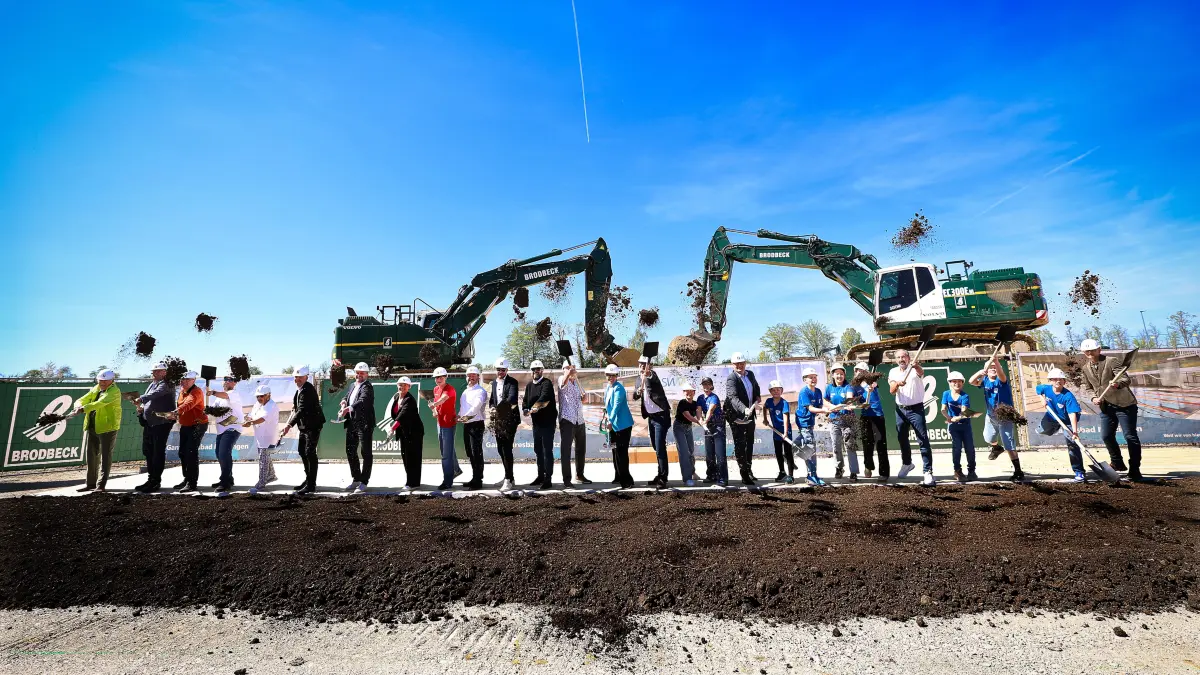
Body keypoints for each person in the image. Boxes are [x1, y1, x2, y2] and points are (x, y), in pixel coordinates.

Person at [1079, 339, 1143, 481]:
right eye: (1087, 351)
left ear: (1099, 350)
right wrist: (1093, 398)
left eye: (1092, 350)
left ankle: (1134, 470)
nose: (1090, 353)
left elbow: (1125, 379)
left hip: (1125, 405)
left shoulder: (1111, 361)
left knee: (1130, 436)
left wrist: (1117, 384)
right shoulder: (1085, 368)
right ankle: (1117, 463)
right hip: (1106, 407)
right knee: (1106, 436)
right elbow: (1088, 387)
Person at [969, 358, 1023, 482]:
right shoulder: (985, 381)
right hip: (991, 416)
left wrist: (996, 361)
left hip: (1005, 417)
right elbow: (971, 381)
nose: (992, 368)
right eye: (990, 367)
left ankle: (1018, 471)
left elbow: (1001, 374)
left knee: (1009, 444)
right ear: (986, 371)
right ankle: (997, 448)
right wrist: (980, 372)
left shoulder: (1001, 380)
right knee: (988, 438)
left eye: (995, 367)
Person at [888, 349, 934, 486]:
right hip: (901, 410)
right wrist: (897, 383)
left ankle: (928, 471)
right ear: (895, 360)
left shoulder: (915, 369)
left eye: (903, 356)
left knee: (922, 439)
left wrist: (916, 366)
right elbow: (892, 391)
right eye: (898, 357)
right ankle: (907, 464)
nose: (901, 359)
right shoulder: (893, 372)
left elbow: (921, 373)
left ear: (908, 358)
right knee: (902, 438)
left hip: (916, 409)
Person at [72, 369, 122, 492]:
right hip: (93, 426)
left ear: (112, 380)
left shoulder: (114, 391)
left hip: (108, 427)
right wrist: (78, 405)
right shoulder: (96, 388)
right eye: (100, 380)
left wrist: (84, 409)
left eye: (105, 381)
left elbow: (100, 403)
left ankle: (101, 485)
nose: (102, 383)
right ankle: (90, 484)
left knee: (105, 456)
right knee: (91, 456)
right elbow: (83, 398)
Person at [1036, 368, 1086, 481]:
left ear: (1065, 382)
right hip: (1052, 417)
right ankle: (1053, 428)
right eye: (1055, 379)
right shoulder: (1046, 388)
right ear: (1050, 381)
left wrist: (1074, 432)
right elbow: (1038, 389)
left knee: (1073, 444)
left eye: (1061, 379)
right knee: (1042, 430)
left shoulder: (1068, 396)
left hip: (1067, 421)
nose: (1058, 381)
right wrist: (1041, 399)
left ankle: (1079, 472)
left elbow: (1072, 414)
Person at [281, 365, 325, 494]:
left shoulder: (307, 390)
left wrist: (289, 425)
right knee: (302, 451)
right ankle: (308, 479)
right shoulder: (300, 389)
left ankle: (311, 484)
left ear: (306, 377)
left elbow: (302, 410)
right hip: (304, 426)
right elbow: (297, 408)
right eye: (296, 377)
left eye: (300, 377)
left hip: (313, 426)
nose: (297, 379)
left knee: (310, 452)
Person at [134, 362, 174, 493]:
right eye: (153, 371)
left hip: (161, 423)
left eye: (157, 371)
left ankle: (156, 481)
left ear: (164, 372)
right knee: (148, 451)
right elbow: (151, 399)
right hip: (150, 423)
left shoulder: (167, 383)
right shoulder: (153, 383)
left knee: (157, 452)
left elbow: (156, 394)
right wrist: (142, 410)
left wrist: (141, 398)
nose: (154, 373)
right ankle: (151, 479)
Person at [723, 352, 762, 485]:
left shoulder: (750, 374)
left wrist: (758, 397)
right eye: (737, 364)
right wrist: (744, 409)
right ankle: (744, 474)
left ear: (745, 363)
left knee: (749, 443)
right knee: (740, 444)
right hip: (737, 417)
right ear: (733, 365)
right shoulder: (731, 379)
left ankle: (749, 469)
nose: (740, 365)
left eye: (742, 363)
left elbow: (756, 387)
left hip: (750, 415)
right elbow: (733, 398)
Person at [633, 355, 672, 488]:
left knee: (660, 447)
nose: (642, 366)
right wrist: (638, 392)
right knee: (656, 447)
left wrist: (648, 373)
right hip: (651, 418)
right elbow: (634, 396)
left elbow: (652, 378)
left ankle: (663, 478)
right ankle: (660, 473)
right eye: (640, 364)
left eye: (645, 364)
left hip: (661, 416)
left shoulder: (652, 375)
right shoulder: (638, 379)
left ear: (649, 365)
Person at [339, 362, 375, 493]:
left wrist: (349, 408)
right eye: (357, 373)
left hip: (364, 424)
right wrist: (344, 401)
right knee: (350, 450)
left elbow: (363, 400)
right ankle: (356, 479)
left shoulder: (368, 386)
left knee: (366, 453)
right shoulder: (352, 385)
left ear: (367, 374)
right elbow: (348, 397)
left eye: (362, 373)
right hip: (352, 422)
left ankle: (364, 482)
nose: (359, 375)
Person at [522, 360, 558, 489]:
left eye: (538, 369)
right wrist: (525, 409)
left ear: (542, 370)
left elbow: (544, 397)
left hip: (548, 422)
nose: (536, 371)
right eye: (534, 369)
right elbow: (525, 400)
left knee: (547, 450)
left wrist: (536, 407)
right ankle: (540, 476)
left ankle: (548, 478)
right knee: (538, 450)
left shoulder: (546, 383)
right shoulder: (529, 385)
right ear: (531, 371)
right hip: (536, 423)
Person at [171, 371, 208, 493]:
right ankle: (187, 479)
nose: (184, 382)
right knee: (182, 453)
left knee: (191, 453)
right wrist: (176, 413)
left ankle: (192, 483)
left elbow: (189, 404)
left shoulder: (196, 391)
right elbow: (182, 405)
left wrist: (176, 411)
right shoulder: (182, 391)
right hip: (186, 425)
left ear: (194, 380)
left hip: (197, 425)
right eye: (183, 379)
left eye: (187, 380)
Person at [207, 375, 244, 494]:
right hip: (222, 429)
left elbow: (225, 395)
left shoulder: (234, 393)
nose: (226, 382)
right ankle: (228, 478)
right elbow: (215, 410)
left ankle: (225, 482)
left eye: (230, 381)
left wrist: (212, 392)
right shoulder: (219, 398)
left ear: (234, 383)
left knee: (224, 453)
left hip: (232, 428)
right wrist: (207, 409)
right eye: (225, 380)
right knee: (219, 454)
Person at [853, 363, 889, 483]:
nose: (858, 372)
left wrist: (871, 386)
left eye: (860, 370)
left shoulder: (871, 382)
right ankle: (868, 466)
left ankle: (884, 473)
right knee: (867, 444)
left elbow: (874, 384)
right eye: (856, 370)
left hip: (877, 416)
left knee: (880, 444)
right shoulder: (855, 386)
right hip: (864, 416)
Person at [825, 364, 861, 481]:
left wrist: (848, 404)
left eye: (841, 373)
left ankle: (854, 472)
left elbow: (849, 399)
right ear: (833, 375)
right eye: (837, 373)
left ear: (844, 375)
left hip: (848, 421)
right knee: (836, 446)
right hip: (834, 420)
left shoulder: (848, 386)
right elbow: (825, 400)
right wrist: (832, 407)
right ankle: (839, 468)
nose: (839, 376)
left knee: (850, 446)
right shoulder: (829, 388)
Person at [488, 358, 520, 492]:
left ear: (507, 370)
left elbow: (511, 399)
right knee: (501, 449)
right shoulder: (494, 383)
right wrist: (491, 408)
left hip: (510, 420)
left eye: (503, 370)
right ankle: (510, 477)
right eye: (498, 370)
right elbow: (492, 400)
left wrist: (498, 409)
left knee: (506, 449)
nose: (500, 372)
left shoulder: (513, 382)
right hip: (498, 421)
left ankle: (508, 480)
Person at [601, 364, 635, 489]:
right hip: (614, 426)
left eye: (613, 375)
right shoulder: (609, 388)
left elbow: (616, 406)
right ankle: (618, 476)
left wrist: (610, 420)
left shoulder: (619, 388)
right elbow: (609, 406)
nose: (610, 377)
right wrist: (606, 413)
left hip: (622, 426)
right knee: (615, 451)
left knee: (621, 452)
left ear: (616, 376)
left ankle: (627, 481)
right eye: (608, 375)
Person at [387, 376, 424, 489]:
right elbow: (395, 414)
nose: (401, 387)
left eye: (404, 385)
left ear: (409, 387)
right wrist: (394, 428)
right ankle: (411, 480)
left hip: (414, 432)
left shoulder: (409, 400)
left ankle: (413, 483)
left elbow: (402, 416)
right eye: (400, 384)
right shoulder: (396, 396)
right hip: (404, 432)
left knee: (413, 457)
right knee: (406, 456)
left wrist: (392, 428)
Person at [941, 371, 977, 483]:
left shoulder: (965, 396)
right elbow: (943, 409)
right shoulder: (946, 394)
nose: (957, 384)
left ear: (963, 383)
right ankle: (957, 471)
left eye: (959, 382)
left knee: (969, 449)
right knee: (956, 448)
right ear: (950, 383)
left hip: (965, 426)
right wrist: (948, 417)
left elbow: (964, 412)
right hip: (953, 427)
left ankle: (971, 471)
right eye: (954, 382)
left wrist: (957, 418)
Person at [795, 367, 829, 486]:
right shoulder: (804, 392)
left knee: (805, 444)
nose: (813, 379)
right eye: (810, 377)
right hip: (803, 422)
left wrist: (835, 406)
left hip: (810, 423)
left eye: (815, 377)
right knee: (810, 448)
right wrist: (823, 411)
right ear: (805, 380)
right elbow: (811, 408)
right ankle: (812, 475)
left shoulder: (818, 391)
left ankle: (792, 449)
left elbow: (823, 403)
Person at [557, 361, 588, 487]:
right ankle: (567, 479)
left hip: (579, 419)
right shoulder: (561, 379)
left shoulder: (577, 383)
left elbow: (583, 399)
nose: (572, 370)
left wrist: (584, 399)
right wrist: (567, 373)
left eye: (574, 368)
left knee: (581, 449)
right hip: (567, 419)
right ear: (564, 369)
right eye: (569, 368)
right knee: (566, 450)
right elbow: (562, 385)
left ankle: (579, 475)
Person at [244, 384, 280, 494]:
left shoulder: (271, 405)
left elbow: (262, 419)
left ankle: (262, 482)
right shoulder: (258, 404)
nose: (259, 398)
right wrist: (248, 418)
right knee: (265, 457)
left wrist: (250, 422)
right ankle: (272, 475)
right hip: (260, 436)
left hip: (268, 437)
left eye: (262, 396)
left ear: (268, 395)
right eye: (257, 396)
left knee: (263, 459)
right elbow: (252, 414)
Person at [429, 366, 460, 491]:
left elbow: (444, 399)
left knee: (445, 454)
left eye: (441, 377)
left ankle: (447, 481)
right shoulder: (435, 389)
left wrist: (434, 404)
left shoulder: (450, 389)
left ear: (446, 377)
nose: (438, 379)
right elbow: (436, 405)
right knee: (448, 449)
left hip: (448, 424)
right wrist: (434, 410)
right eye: (436, 377)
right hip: (439, 423)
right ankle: (456, 470)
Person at [458, 366, 488, 490]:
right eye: (469, 375)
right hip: (467, 424)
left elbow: (476, 406)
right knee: (470, 453)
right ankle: (474, 477)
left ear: (478, 377)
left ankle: (478, 480)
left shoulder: (480, 391)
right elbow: (462, 407)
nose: (471, 377)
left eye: (473, 375)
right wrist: (459, 416)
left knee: (476, 453)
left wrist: (465, 416)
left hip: (476, 424)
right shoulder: (465, 391)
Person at [762, 379, 795, 484]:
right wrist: (765, 419)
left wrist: (785, 433)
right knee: (778, 453)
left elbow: (786, 418)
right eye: (773, 390)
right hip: (776, 432)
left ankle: (790, 475)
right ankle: (782, 472)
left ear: (781, 391)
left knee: (788, 453)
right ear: (770, 391)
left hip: (785, 432)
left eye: (778, 389)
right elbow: (764, 407)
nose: (776, 391)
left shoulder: (784, 403)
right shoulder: (769, 401)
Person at [697, 376, 728, 486]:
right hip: (708, 426)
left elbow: (710, 411)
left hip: (718, 426)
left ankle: (722, 478)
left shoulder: (714, 397)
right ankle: (711, 475)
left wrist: (704, 421)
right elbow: (699, 411)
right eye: (704, 384)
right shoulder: (700, 398)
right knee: (709, 453)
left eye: (708, 384)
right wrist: (700, 420)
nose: (706, 386)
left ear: (711, 385)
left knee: (719, 453)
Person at [673, 380, 701, 487]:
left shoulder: (695, 403)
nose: (688, 393)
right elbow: (688, 416)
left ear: (694, 392)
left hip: (688, 428)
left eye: (690, 391)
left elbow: (698, 413)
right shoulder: (682, 403)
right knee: (684, 452)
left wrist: (701, 419)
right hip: (679, 427)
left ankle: (692, 472)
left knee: (691, 451)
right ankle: (687, 478)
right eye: (686, 391)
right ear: (683, 392)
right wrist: (699, 422)